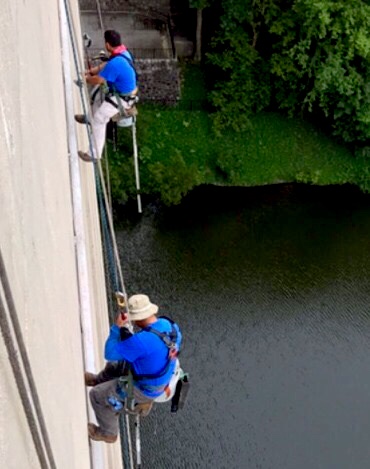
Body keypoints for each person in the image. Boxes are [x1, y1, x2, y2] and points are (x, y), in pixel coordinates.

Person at [86, 294, 182, 443]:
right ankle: (97, 380)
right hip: (157, 376)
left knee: (97, 396)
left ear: (137, 319)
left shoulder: (141, 341)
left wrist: (117, 328)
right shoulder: (170, 326)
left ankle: (108, 433)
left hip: (144, 388)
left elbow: (109, 353)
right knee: (115, 366)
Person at [75, 29, 138, 162]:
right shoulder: (123, 52)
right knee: (98, 99)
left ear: (107, 44)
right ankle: (88, 118)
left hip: (121, 98)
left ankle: (94, 154)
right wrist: (92, 71)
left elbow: (99, 80)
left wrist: (86, 79)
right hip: (121, 91)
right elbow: (107, 64)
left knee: (100, 119)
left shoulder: (116, 63)